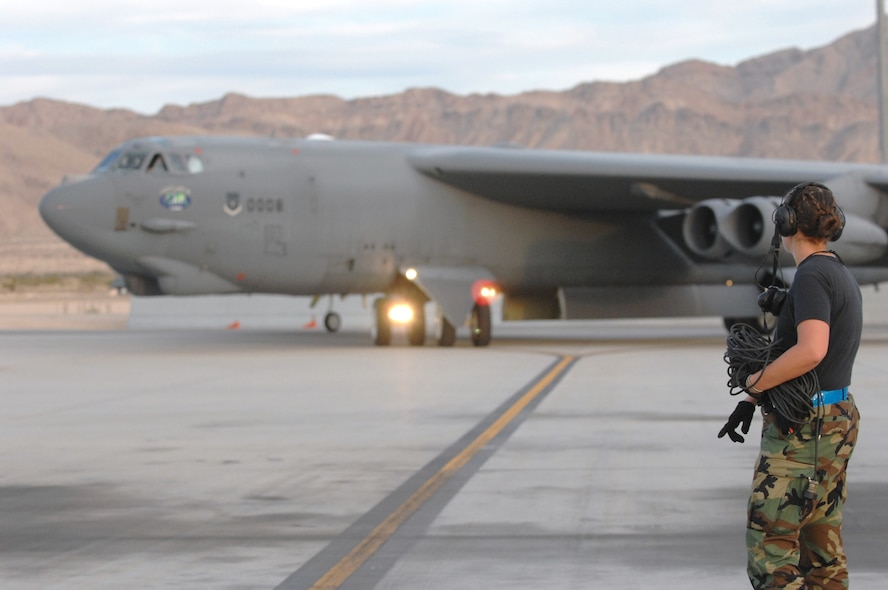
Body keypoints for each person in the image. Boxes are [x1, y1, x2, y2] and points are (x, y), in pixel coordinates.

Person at [718, 182, 862, 589]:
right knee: (822, 545)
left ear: (786, 223)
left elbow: (812, 351)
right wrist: (788, 306)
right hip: (835, 419)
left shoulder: (813, 275)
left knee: (771, 546)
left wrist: (754, 381)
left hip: (804, 427)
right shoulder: (835, 272)